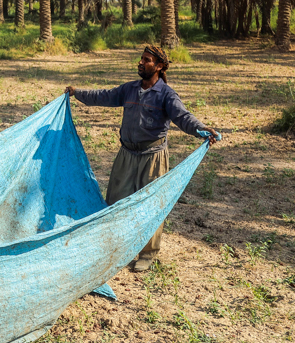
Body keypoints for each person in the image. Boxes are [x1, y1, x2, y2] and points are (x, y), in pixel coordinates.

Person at [65, 45, 221, 273]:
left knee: (152, 205)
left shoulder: (166, 95)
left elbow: (183, 117)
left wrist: (201, 129)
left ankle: (148, 254)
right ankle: (113, 248)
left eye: (146, 60)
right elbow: (104, 96)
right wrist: (77, 93)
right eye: (141, 59)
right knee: (115, 202)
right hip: (127, 154)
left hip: (153, 158)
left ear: (159, 67)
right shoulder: (129, 89)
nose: (140, 63)